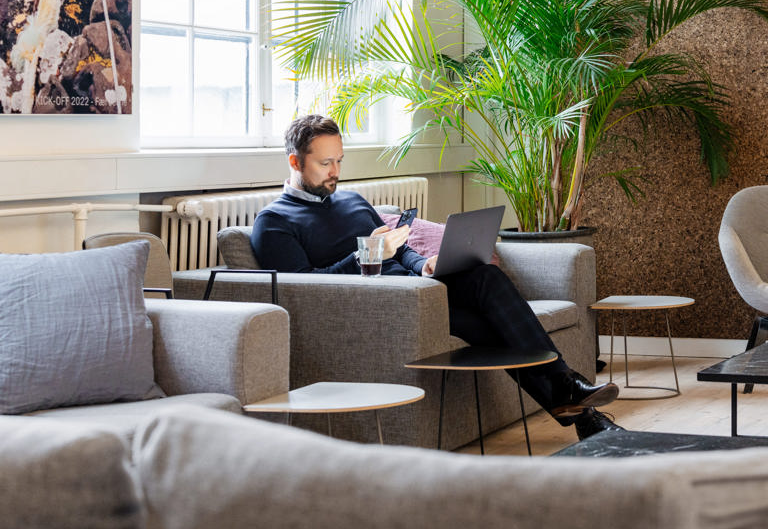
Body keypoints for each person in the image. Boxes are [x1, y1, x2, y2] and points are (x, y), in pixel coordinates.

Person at [251, 114, 626, 441]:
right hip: (386, 307)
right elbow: (303, 291)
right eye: (325, 163)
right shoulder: (275, 222)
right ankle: (580, 409)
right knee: (492, 326)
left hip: (421, 289)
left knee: (484, 276)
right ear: (295, 161)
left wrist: (422, 264)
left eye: (339, 161)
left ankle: (568, 390)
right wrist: (365, 256)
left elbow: (399, 249)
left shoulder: (352, 201)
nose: (335, 171)